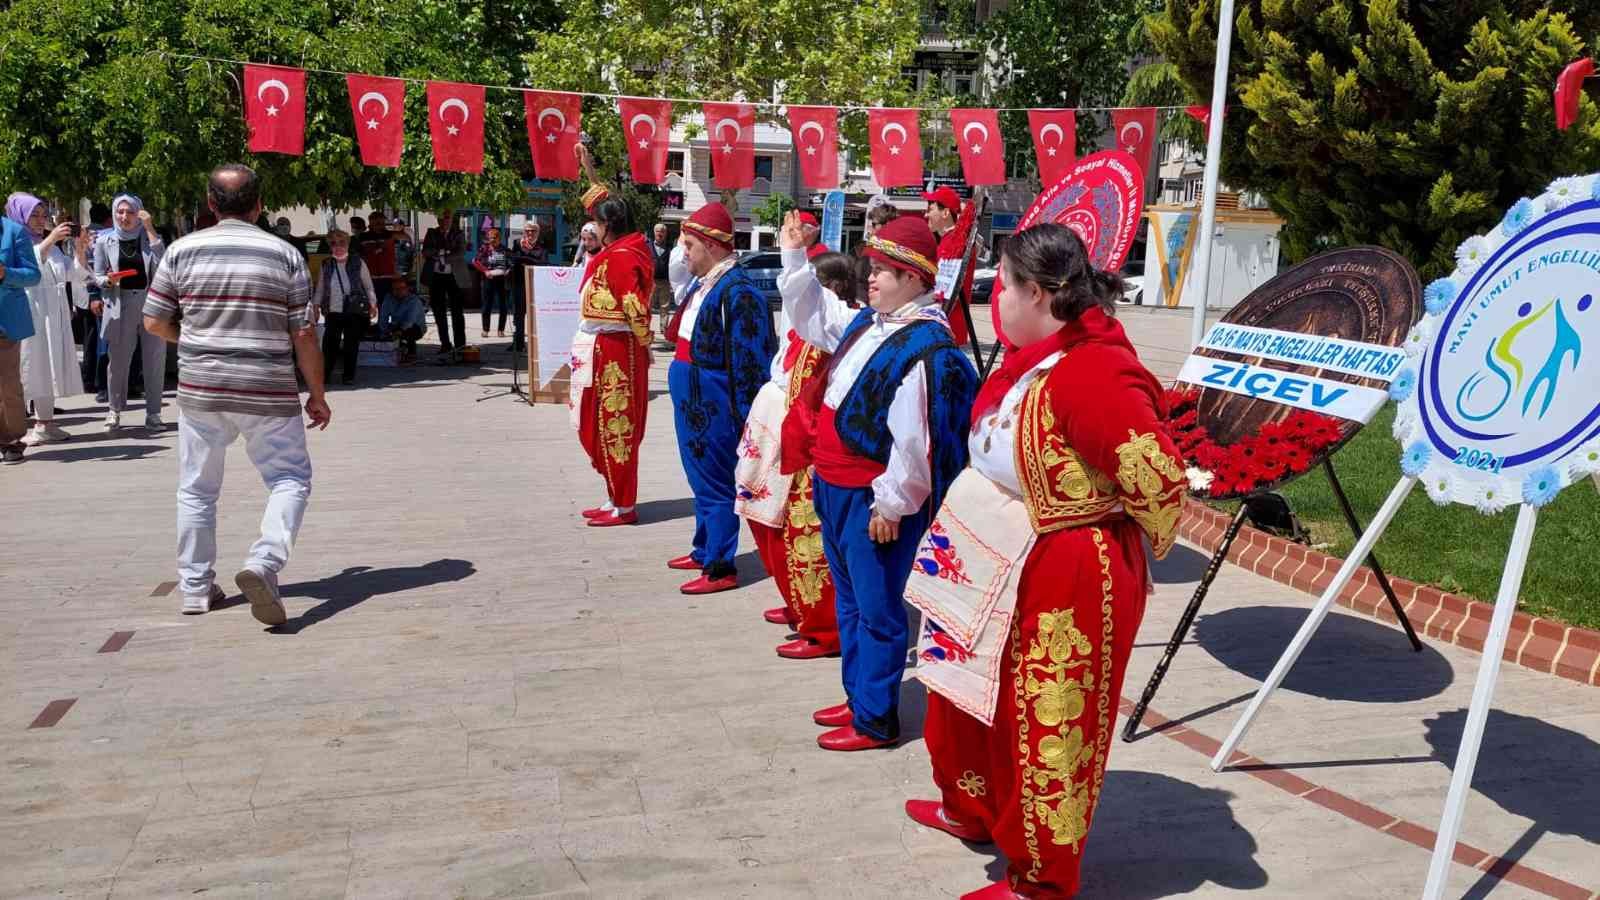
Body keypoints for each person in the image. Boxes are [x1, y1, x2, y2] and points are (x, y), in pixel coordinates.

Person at [905, 224, 1185, 899]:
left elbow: (1162, 487)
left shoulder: (1091, 371)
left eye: (1001, 286)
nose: (993, 299)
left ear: (1036, 292)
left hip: (1066, 574)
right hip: (995, 558)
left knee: (1047, 719)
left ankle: (1041, 878)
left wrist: (1099, 525)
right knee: (967, 698)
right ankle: (971, 808)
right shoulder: (1030, 355)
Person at [777, 209, 977, 751]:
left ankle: (876, 718)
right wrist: (796, 255)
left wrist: (890, 507)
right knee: (850, 602)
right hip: (835, 486)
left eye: (883, 271)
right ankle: (859, 695)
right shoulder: (873, 321)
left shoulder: (925, 347)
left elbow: (915, 444)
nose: (871, 277)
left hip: (871, 499)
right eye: (872, 267)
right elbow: (814, 316)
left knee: (879, 608)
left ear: (913, 278)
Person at [142, 163, 330, 624]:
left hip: (201, 390)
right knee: (289, 479)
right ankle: (264, 561)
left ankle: (195, 587)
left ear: (210, 203)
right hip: (267, 390)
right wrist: (318, 394)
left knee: (197, 489)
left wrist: (194, 341)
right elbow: (303, 334)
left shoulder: (181, 252)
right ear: (260, 205)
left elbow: (154, 320)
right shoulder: (285, 255)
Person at [735, 252, 857, 658]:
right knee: (771, 525)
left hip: (809, 452)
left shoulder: (835, 335)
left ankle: (823, 628)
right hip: (781, 443)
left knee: (808, 540)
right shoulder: (806, 335)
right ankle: (799, 605)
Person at [664, 202, 778, 594]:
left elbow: (750, 360)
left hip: (714, 402)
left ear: (712, 246)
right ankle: (704, 547)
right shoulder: (706, 283)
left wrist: (746, 417)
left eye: (690, 245)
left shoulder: (738, 292)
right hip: (694, 395)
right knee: (700, 478)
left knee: (715, 481)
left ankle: (720, 565)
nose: (684, 254)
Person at [569, 146, 655, 528]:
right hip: (608, 346)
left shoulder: (621, 256)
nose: (594, 227)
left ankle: (624, 503)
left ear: (609, 227)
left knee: (614, 424)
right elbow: (602, 203)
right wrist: (589, 169)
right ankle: (612, 495)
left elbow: (635, 307)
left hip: (618, 350)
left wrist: (644, 345)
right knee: (598, 421)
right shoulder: (623, 245)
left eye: (597, 224)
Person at [7, 194, 87, 445]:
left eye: (44, 215)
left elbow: (72, 273)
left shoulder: (48, 246)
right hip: (29, 312)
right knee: (29, 368)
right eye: (34, 215)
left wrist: (81, 249)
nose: (41, 221)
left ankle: (46, 423)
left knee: (47, 367)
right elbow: (30, 264)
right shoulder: (13, 242)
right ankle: (15, 430)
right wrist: (52, 239)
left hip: (52, 313)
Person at [92, 194, 167, 431]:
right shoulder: (105, 240)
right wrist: (107, 280)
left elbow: (163, 264)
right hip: (119, 304)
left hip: (150, 305)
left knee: (154, 360)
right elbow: (96, 275)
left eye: (130, 212)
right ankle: (114, 410)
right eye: (120, 212)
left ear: (139, 213)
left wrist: (150, 227)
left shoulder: (149, 238)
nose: (124, 217)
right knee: (118, 362)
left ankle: (154, 413)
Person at [0, 205, 41, 465]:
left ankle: (12, 440)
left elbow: (33, 275)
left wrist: (6, 273)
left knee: (7, 383)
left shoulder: (14, 232)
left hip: (5, 321)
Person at [314, 229, 376, 385]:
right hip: (333, 310)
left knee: (351, 344)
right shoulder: (326, 264)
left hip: (353, 310)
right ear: (330, 246)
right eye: (333, 243)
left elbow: (368, 286)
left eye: (341, 242)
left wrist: (373, 304)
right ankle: (325, 375)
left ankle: (348, 376)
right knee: (329, 345)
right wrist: (315, 306)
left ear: (347, 244)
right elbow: (320, 288)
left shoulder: (358, 262)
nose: (338, 246)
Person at [422, 208, 467, 357]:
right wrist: (442, 253)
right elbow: (425, 252)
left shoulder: (458, 233)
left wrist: (442, 255)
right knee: (438, 311)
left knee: (457, 312)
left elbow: (460, 253)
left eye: (447, 218)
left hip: (454, 276)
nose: (444, 221)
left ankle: (460, 344)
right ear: (438, 220)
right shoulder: (432, 233)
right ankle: (445, 344)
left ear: (451, 219)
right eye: (442, 218)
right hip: (436, 276)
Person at [507, 220, 547, 353]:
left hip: (535, 285)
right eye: (528, 230)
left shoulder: (542, 246)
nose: (530, 233)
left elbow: (543, 263)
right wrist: (527, 261)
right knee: (518, 315)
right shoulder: (517, 244)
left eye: (533, 231)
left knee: (534, 315)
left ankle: (536, 344)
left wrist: (525, 261)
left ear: (538, 232)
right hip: (519, 283)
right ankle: (518, 343)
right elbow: (513, 259)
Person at [473, 226, 512, 339]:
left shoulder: (505, 250)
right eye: (490, 238)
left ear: (499, 239)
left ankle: (501, 330)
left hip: (502, 279)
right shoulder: (484, 249)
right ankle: (485, 330)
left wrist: (508, 271)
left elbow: (512, 263)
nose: (492, 241)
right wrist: (485, 271)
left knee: (503, 306)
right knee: (487, 305)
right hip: (489, 279)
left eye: (494, 238)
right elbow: (475, 261)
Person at [377, 276, 427, 360]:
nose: (398, 291)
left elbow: (409, 321)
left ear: (407, 289)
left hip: (414, 327)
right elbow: (383, 317)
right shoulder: (388, 298)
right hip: (396, 325)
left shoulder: (414, 301)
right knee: (375, 329)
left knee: (408, 332)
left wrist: (397, 333)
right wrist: (383, 331)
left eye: (401, 288)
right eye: (395, 289)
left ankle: (411, 352)